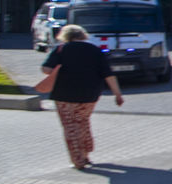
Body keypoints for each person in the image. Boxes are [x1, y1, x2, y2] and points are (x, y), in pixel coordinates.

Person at [37, 25, 125, 169]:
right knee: (82, 122)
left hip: (64, 94)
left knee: (70, 126)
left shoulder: (61, 49)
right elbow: (108, 74)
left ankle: (78, 160)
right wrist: (117, 94)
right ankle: (85, 154)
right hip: (90, 95)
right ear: (83, 36)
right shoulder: (95, 50)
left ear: (65, 36)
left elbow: (46, 69)